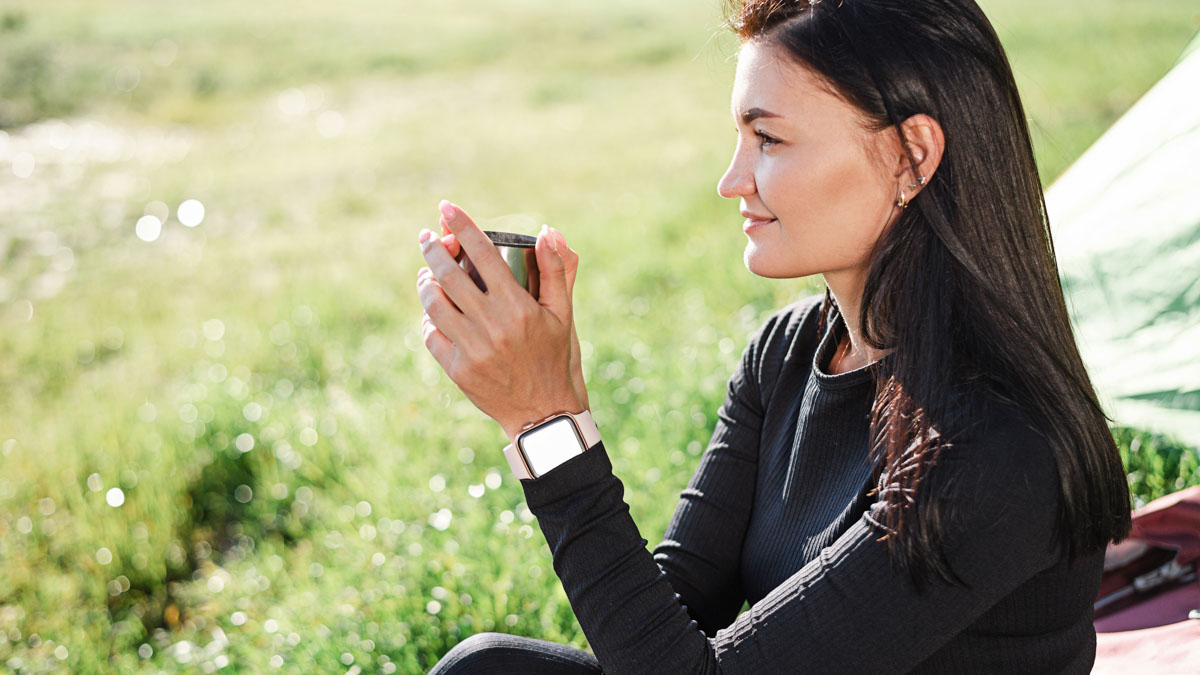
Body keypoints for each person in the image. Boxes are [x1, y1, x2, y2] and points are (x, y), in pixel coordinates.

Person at [415, 0, 1133, 672]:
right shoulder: (785, 354)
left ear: (912, 156)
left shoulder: (995, 449)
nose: (732, 180)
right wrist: (555, 403)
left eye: (769, 138)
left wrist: (547, 423)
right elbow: (670, 622)